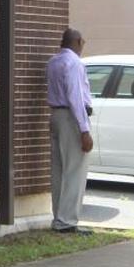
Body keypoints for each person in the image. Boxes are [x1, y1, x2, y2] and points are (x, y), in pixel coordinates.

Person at [47, 27, 93, 234]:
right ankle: (67, 221)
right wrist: (84, 130)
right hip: (71, 117)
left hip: (55, 115)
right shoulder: (74, 63)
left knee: (59, 170)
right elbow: (75, 96)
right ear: (77, 42)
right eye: (82, 42)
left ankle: (59, 217)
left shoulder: (54, 62)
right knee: (75, 170)